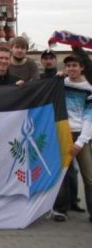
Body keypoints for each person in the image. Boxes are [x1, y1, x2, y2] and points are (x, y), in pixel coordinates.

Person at [52, 54, 92, 222]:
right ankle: (61, 209)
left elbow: (89, 117)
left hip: (81, 135)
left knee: (89, 175)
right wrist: (54, 79)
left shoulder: (89, 88)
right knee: (63, 174)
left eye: (74, 66)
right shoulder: (61, 83)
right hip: (62, 132)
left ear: (81, 67)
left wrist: (81, 141)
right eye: (68, 66)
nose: (71, 69)